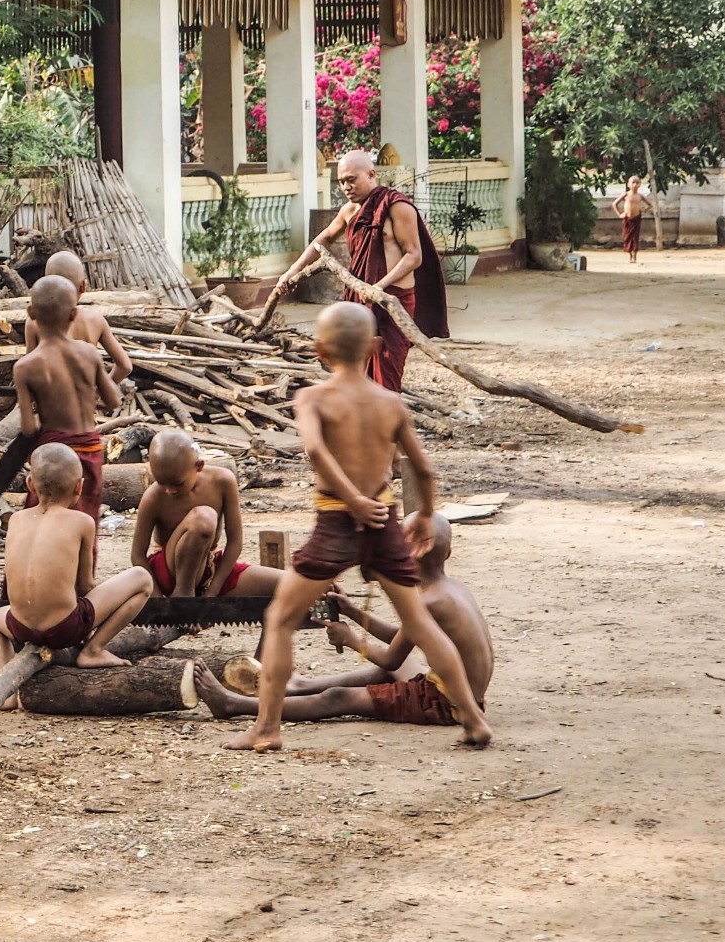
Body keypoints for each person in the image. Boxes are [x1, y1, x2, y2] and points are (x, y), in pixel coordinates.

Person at [225, 303, 490, 750]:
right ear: (374, 348)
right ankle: (473, 720)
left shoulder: (313, 398)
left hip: (337, 519)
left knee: (281, 618)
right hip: (385, 518)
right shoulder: (391, 403)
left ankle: (267, 728)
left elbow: (313, 449)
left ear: (319, 349)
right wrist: (424, 514)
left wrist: (350, 500)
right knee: (421, 624)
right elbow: (422, 469)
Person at [193, 512, 492, 729]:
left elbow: (390, 657)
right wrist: (352, 612)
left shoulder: (428, 601)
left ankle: (235, 705)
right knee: (398, 670)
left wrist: (351, 639)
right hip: (466, 696)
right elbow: (405, 637)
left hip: (445, 704)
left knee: (337, 699)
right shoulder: (450, 590)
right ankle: (299, 686)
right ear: (448, 553)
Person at [274, 149, 448, 392]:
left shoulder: (397, 207)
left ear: (371, 174)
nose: (346, 186)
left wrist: (379, 286)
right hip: (360, 301)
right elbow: (322, 239)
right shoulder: (349, 211)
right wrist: (291, 271)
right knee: (354, 368)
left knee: (388, 372)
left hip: (393, 300)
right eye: (342, 181)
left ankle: (384, 420)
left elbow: (414, 256)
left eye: (351, 179)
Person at [0, 443, 154, 689]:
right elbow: (85, 584)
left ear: (30, 485)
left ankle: (7, 690)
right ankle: (94, 650)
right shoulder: (82, 521)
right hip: (64, 628)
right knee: (142, 578)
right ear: (79, 486)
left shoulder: (16, 520)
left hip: (19, 627)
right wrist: (90, 621)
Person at [13, 275, 118, 551]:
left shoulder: (25, 367)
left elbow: (27, 427)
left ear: (30, 313)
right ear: (74, 314)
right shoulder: (89, 354)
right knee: (84, 521)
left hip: (52, 455)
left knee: (41, 520)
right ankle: (81, 585)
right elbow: (113, 401)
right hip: (90, 451)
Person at [129, 429, 281, 600]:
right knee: (204, 518)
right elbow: (138, 555)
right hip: (169, 572)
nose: (169, 490)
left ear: (199, 466)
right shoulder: (153, 497)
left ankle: (191, 603)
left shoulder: (223, 481)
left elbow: (235, 542)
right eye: (161, 482)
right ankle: (183, 595)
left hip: (209, 568)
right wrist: (159, 604)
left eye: (177, 483)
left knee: (289, 584)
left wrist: (211, 594)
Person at [43, 251, 133, 387]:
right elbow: (125, 366)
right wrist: (98, 393)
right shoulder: (96, 321)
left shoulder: (35, 322)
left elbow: (32, 369)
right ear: (84, 286)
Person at [612, 176, 649, 263]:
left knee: (635, 238)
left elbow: (650, 205)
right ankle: (630, 255)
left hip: (636, 218)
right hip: (627, 218)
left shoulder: (640, 196)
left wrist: (643, 210)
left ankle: (635, 256)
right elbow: (615, 204)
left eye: (637, 183)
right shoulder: (626, 194)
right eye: (633, 183)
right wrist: (620, 214)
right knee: (627, 237)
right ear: (629, 184)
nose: (635, 185)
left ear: (640, 184)